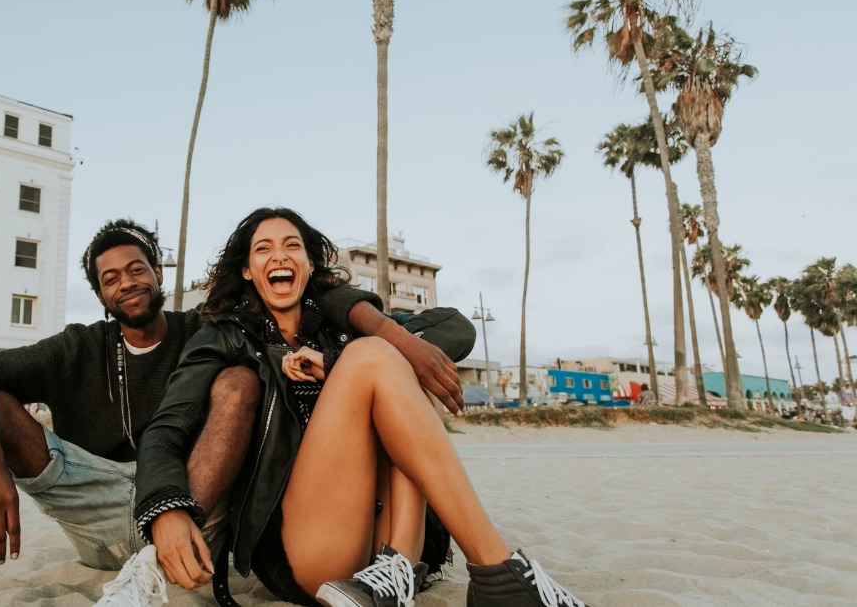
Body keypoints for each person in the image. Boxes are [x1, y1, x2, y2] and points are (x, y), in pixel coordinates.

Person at [0, 218, 459, 607]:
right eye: (112, 277)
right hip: (97, 510)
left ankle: (150, 576)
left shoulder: (207, 329)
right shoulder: (77, 349)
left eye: (137, 268)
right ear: (100, 293)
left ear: (158, 273)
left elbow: (303, 295)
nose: (127, 282)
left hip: (192, 507)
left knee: (237, 383)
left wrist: (372, 322)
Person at [133, 207, 584, 607]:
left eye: (293, 246)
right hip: (304, 544)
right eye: (263, 249)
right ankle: (498, 573)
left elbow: (456, 330)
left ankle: (399, 567)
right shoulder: (226, 335)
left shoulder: (341, 326)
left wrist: (341, 338)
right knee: (374, 357)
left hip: (384, 541)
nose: (280, 256)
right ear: (249, 271)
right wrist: (165, 507)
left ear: (309, 265)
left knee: (392, 360)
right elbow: (167, 428)